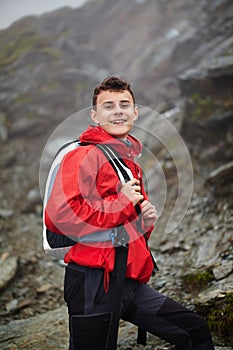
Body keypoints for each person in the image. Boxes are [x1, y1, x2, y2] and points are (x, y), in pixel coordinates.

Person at [44, 76, 215, 349]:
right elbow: (61, 215)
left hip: (126, 280)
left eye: (125, 104)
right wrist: (122, 203)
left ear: (135, 112)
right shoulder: (84, 156)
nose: (118, 111)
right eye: (108, 106)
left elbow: (117, 223)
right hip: (93, 281)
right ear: (95, 115)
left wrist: (143, 223)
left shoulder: (125, 161)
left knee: (193, 330)